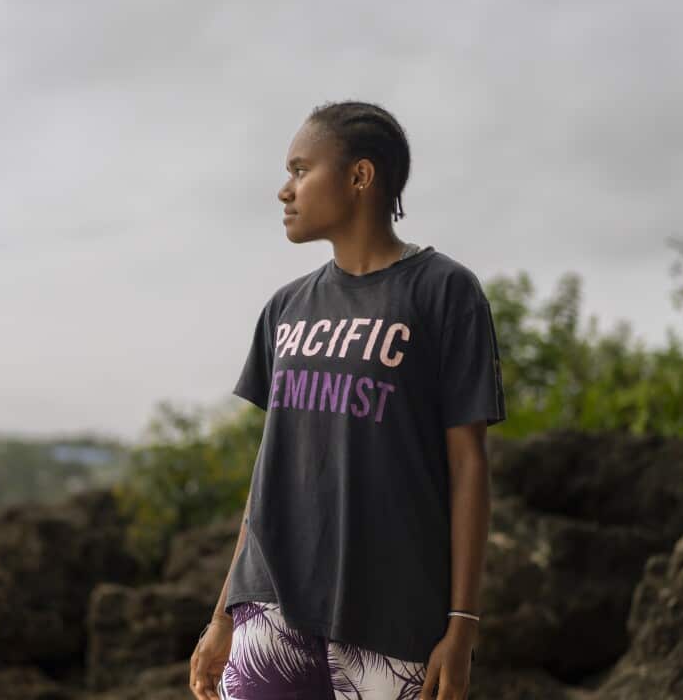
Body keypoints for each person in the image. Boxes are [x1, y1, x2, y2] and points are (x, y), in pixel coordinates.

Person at [189, 100, 505, 700]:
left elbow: (469, 466)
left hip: (393, 620)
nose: (286, 190)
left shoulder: (445, 293)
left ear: (360, 177)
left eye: (301, 170)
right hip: (270, 608)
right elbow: (269, 472)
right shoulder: (285, 309)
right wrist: (224, 613)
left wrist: (462, 625)